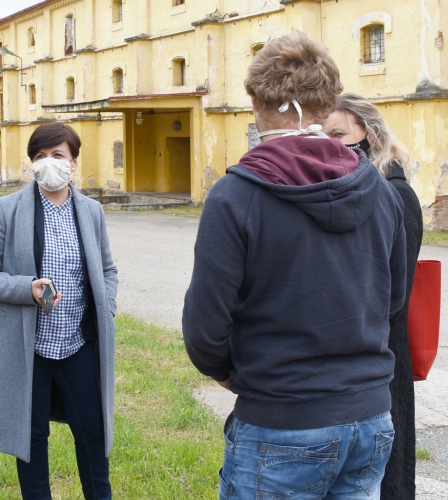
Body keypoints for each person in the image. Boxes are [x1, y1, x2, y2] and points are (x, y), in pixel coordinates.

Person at [182, 32, 407, 499]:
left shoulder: (236, 196)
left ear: (254, 99)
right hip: (369, 417)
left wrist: (239, 376)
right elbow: (393, 300)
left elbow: (205, 329)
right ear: (328, 101)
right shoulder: (381, 190)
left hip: (282, 420)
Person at [0, 122, 117, 500]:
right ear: (31, 163)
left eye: (58, 155)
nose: (48, 163)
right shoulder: (7, 209)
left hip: (77, 344)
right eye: (40, 157)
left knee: (92, 431)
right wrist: (27, 288)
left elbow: (107, 270)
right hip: (28, 347)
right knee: (31, 435)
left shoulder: (91, 211)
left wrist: (107, 307)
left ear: (74, 162)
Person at [324, 93, 422, 500]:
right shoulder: (343, 189)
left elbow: (391, 293)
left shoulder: (397, 195)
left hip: (384, 350)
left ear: (370, 133)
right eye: (323, 134)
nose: (331, 144)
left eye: (339, 134)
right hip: (350, 356)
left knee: (387, 470)